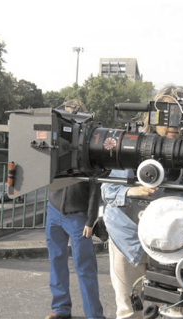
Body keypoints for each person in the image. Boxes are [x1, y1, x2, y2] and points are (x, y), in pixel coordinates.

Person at [101, 85, 183, 319]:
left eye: (180, 114)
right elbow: (108, 190)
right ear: (152, 117)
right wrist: (133, 191)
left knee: (175, 309)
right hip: (128, 239)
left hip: (174, 241)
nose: (172, 123)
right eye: (165, 114)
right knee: (130, 310)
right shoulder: (133, 143)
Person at [45, 99, 106, 319]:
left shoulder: (90, 143)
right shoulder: (55, 140)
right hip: (54, 210)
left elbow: (95, 186)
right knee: (56, 260)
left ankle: (94, 315)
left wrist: (91, 219)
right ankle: (60, 309)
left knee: (85, 267)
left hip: (79, 216)